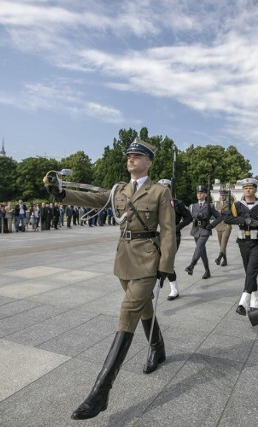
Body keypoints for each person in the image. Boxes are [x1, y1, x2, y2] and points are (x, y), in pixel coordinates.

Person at [43, 137, 176, 420]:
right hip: (124, 260)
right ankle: (158, 348)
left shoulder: (160, 192)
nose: (131, 159)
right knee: (143, 307)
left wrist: (166, 264)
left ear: (149, 162)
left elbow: (168, 231)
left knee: (128, 312)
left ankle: (100, 392)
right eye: (129, 155)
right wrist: (61, 192)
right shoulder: (120, 189)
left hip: (148, 260)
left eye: (137, 156)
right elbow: (93, 198)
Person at [224, 178, 258, 315]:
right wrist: (244, 219)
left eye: (251, 188)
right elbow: (227, 219)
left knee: (251, 271)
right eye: (246, 188)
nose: (248, 190)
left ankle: (243, 303)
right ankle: (255, 301)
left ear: (255, 190)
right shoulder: (237, 205)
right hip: (243, 242)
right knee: (250, 273)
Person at [158, 178, 192, 300]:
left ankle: (157, 286)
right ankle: (174, 289)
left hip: (173, 236)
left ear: (170, 189)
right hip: (159, 235)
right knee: (162, 262)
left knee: (167, 261)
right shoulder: (155, 202)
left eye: (166, 187)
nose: (164, 190)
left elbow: (189, 217)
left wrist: (177, 227)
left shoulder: (177, 203)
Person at [185, 186, 222, 279]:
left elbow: (220, 217)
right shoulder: (192, 206)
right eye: (198, 193)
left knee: (199, 247)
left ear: (205, 194)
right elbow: (188, 217)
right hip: (195, 230)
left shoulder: (209, 206)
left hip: (205, 229)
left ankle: (191, 265)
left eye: (201, 193)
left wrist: (212, 225)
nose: (199, 194)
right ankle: (207, 271)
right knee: (201, 251)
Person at [214, 189, 233, 266]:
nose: (222, 196)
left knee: (223, 243)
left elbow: (233, 214)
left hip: (227, 226)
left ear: (226, 196)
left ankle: (219, 258)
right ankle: (225, 260)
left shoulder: (230, 204)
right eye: (221, 195)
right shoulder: (216, 204)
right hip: (218, 226)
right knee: (221, 245)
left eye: (223, 195)